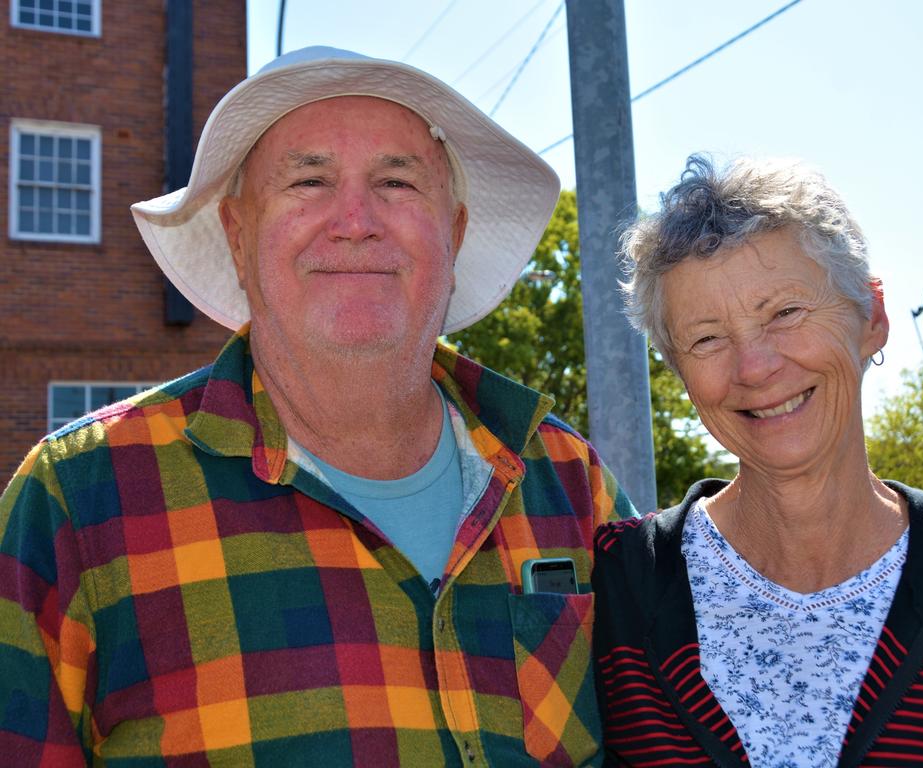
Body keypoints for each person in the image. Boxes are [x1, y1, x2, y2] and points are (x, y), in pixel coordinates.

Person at [0, 47, 633, 766]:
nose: (356, 220)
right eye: (309, 181)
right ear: (239, 236)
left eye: (397, 181)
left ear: (451, 236)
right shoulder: (79, 501)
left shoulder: (567, 477)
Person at [593, 154, 923, 767]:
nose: (755, 366)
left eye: (786, 313)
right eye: (708, 338)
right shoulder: (615, 591)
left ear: (871, 317)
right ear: (679, 369)